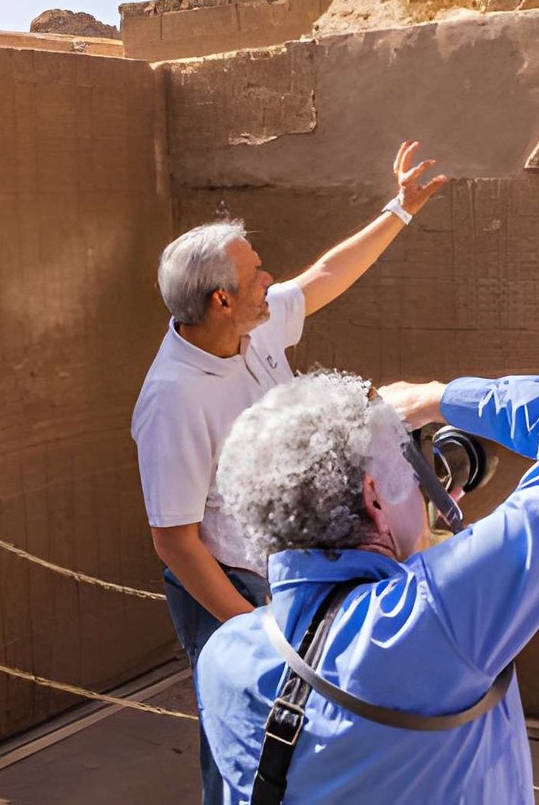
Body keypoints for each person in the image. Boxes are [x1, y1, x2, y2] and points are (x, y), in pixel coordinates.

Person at [131, 141, 449, 803]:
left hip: (291, 576)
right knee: (243, 741)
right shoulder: (174, 399)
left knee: (307, 742)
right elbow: (175, 539)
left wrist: (401, 209)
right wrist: (250, 627)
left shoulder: (252, 325)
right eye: (256, 274)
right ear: (221, 299)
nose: (270, 279)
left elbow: (325, 276)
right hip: (234, 587)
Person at [196, 371, 539, 804]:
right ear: (374, 500)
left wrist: (417, 555)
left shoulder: (224, 656)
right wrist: (434, 398)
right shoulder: (434, 616)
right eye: (413, 477)